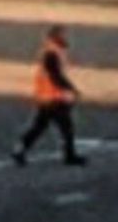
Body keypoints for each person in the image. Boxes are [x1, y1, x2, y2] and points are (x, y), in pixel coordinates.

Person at [11, 23, 82, 165]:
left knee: (39, 127)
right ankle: (69, 156)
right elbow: (55, 75)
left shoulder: (51, 51)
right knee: (66, 127)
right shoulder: (52, 52)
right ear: (56, 36)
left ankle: (20, 150)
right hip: (53, 97)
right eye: (62, 34)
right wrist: (70, 89)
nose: (66, 37)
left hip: (46, 97)